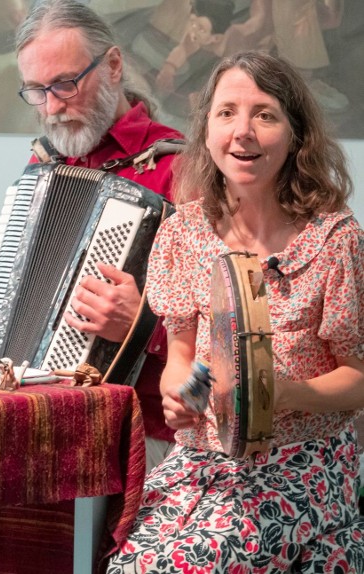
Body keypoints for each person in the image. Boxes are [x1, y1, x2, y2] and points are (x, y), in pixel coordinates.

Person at [108, 50, 364, 571]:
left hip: (306, 463)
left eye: (264, 114)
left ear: (296, 136)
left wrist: (279, 395)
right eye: (226, 113)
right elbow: (186, 358)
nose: (242, 131)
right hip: (201, 461)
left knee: (202, 562)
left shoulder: (335, 240)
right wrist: (182, 395)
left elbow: (360, 376)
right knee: (126, 562)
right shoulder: (185, 232)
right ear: (206, 130)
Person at [15, 0, 183, 471]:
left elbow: (236, 328)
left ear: (112, 65)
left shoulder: (180, 169)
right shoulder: (44, 166)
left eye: (66, 84)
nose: (52, 108)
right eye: (36, 90)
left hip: (150, 430)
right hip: (43, 416)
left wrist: (144, 326)